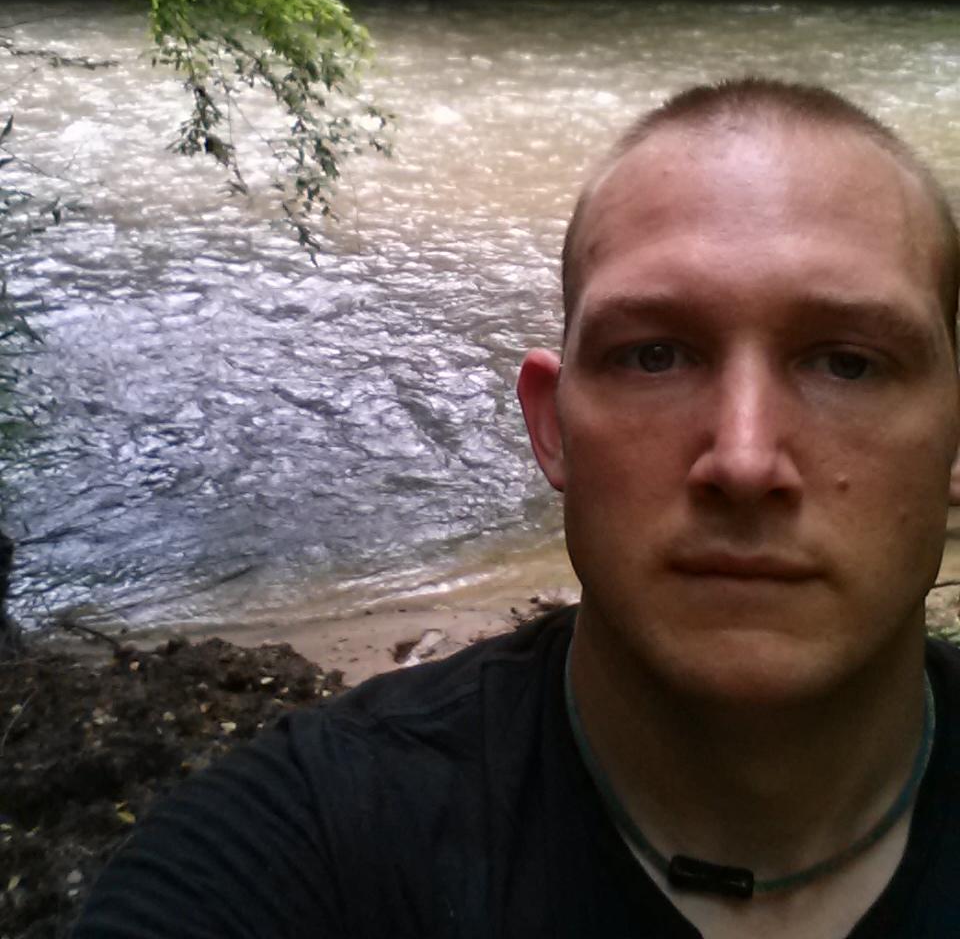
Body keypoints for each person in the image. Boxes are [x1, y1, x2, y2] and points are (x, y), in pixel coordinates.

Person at [75, 77, 960, 938]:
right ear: (553, 429)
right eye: (654, 356)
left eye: (848, 363)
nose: (742, 458)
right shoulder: (300, 849)